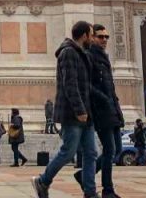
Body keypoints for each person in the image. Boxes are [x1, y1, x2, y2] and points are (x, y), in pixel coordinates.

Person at [31, 20, 97, 198]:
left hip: (86, 113)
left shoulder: (82, 53)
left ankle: (90, 192)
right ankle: (43, 180)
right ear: (84, 36)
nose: (93, 38)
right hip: (73, 113)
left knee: (91, 153)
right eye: (91, 35)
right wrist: (79, 110)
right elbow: (70, 84)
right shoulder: (68, 53)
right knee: (68, 152)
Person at [82, 22, 124, 196]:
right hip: (101, 110)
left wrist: (114, 103)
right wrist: (104, 99)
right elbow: (87, 85)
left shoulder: (103, 56)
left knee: (117, 149)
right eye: (100, 36)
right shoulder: (89, 56)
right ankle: (108, 189)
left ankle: (83, 175)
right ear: (92, 37)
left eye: (106, 36)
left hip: (112, 108)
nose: (104, 39)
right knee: (109, 149)